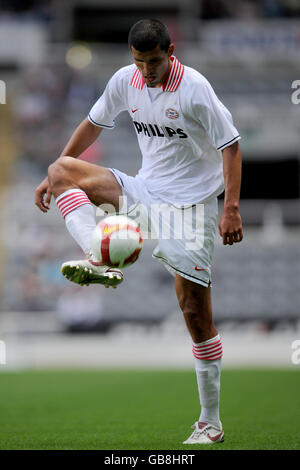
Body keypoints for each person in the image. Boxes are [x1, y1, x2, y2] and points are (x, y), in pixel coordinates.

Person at [35, 19, 243, 444]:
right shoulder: (125, 81)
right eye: (139, 62)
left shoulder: (195, 89)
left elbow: (231, 146)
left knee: (194, 313)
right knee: (61, 170)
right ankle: (96, 249)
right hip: (145, 192)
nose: (146, 71)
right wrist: (50, 180)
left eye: (153, 61)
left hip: (189, 210)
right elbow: (93, 124)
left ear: (170, 52)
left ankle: (210, 421)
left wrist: (232, 209)